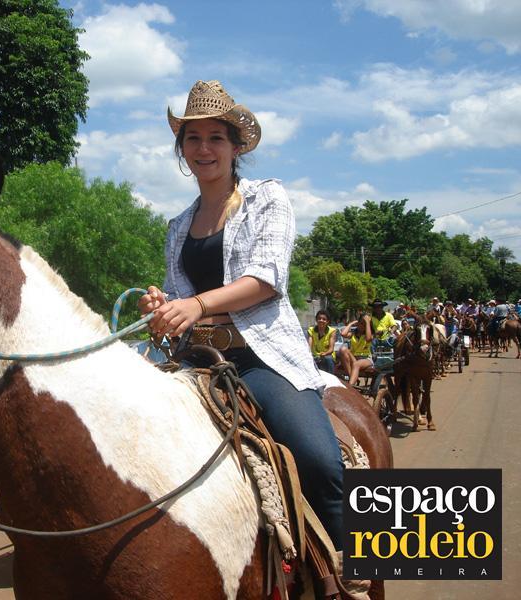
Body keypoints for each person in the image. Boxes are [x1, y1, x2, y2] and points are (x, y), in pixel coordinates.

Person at [137, 80, 345, 554]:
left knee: (318, 460)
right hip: (196, 359)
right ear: (181, 149)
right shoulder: (177, 226)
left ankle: (349, 570)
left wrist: (196, 305)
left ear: (235, 147)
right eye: (193, 138)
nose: (203, 148)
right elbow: (180, 297)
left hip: (259, 358)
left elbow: (266, 279)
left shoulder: (267, 198)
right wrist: (162, 307)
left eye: (216, 138)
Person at [338, 315, 373, 385]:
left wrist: (367, 322)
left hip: (365, 358)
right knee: (342, 349)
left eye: (364, 324)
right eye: (361, 323)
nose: (362, 326)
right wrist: (351, 324)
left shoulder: (370, 334)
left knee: (356, 364)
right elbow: (343, 334)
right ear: (358, 323)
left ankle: (350, 386)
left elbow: (368, 339)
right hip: (354, 357)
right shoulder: (353, 333)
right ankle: (352, 379)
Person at [308, 309, 337, 374]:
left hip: (327, 356)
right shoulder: (311, 330)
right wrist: (309, 354)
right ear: (316, 320)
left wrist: (324, 354)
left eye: (324, 319)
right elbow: (309, 346)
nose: (321, 320)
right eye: (319, 318)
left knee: (328, 358)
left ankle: (331, 377)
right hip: (315, 356)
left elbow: (331, 349)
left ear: (327, 321)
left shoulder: (332, 331)